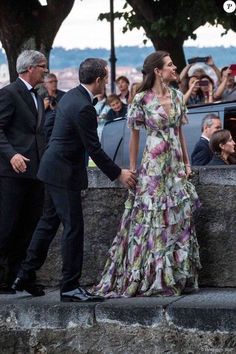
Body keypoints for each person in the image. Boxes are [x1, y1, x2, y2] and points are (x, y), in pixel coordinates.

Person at [12, 58, 137, 302]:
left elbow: (50, 127)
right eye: (106, 76)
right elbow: (94, 149)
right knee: (73, 227)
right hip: (63, 173)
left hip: (53, 168)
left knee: (48, 223)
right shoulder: (83, 107)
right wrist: (118, 173)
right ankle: (69, 286)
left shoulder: (70, 96)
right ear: (99, 79)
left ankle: (25, 275)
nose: (108, 80)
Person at [93, 51, 201, 298]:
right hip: (153, 165)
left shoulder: (176, 96)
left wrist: (187, 162)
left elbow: (180, 132)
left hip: (174, 165)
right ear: (158, 71)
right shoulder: (141, 99)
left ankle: (175, 275)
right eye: (170, 65)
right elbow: (133, 136)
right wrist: (131, 168)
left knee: (177, 218)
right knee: (152, 219)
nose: (175, 68)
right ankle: (152, 275)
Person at [0, 50, 48, 294]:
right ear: (30, 68)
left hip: (35, 173)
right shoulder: (8, 94)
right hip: (11, 174)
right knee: (7, 225)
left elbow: (38, 134)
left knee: (29, 226)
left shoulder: (38, 96)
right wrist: (12, 155)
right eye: (42, 66)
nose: (45, 70)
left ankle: (19, 278)